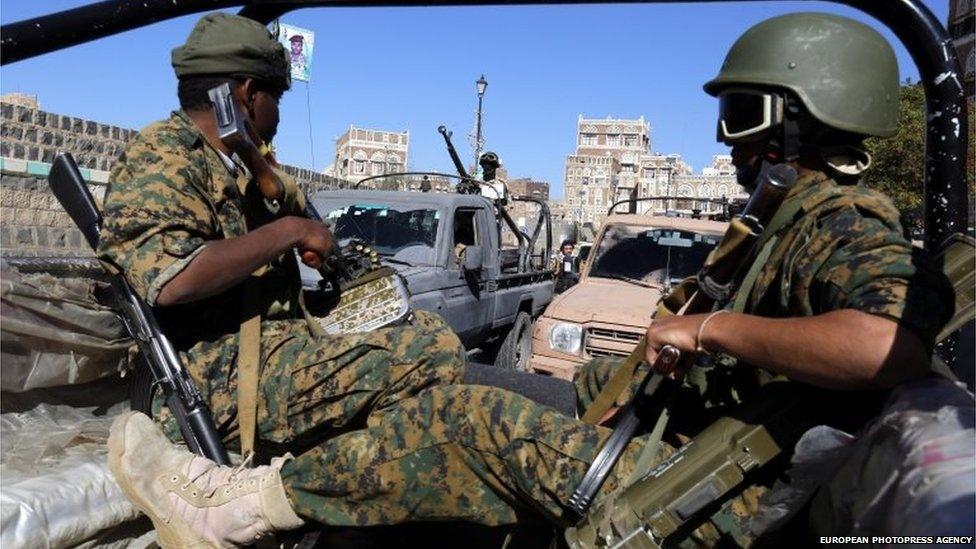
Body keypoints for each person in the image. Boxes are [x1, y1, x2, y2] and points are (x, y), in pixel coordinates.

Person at [109, 12, 951, 548]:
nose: (729, 144)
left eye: (740, 118)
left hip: (701, 489)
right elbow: (169, 279)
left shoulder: (838, 219)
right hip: (687, 451)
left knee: (451, 397)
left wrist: (705, 330)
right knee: (453, 373)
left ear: (793, 119)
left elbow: (887, 344)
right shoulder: (794, 223)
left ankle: (242, 505)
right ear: (245, 93)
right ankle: (295, 492)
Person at [99, 10, 464, 525]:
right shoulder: (165, 156)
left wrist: (256, 162)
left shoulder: (227, 159)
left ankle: (384, 498)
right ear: (249, 94)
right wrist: (288, 233)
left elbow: (270, 206)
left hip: (259, 347)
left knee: (423, 329)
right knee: (431, 352)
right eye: (276, 99)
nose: (278, 114)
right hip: (205, 376)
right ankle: (275, 499)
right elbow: (171, 279)